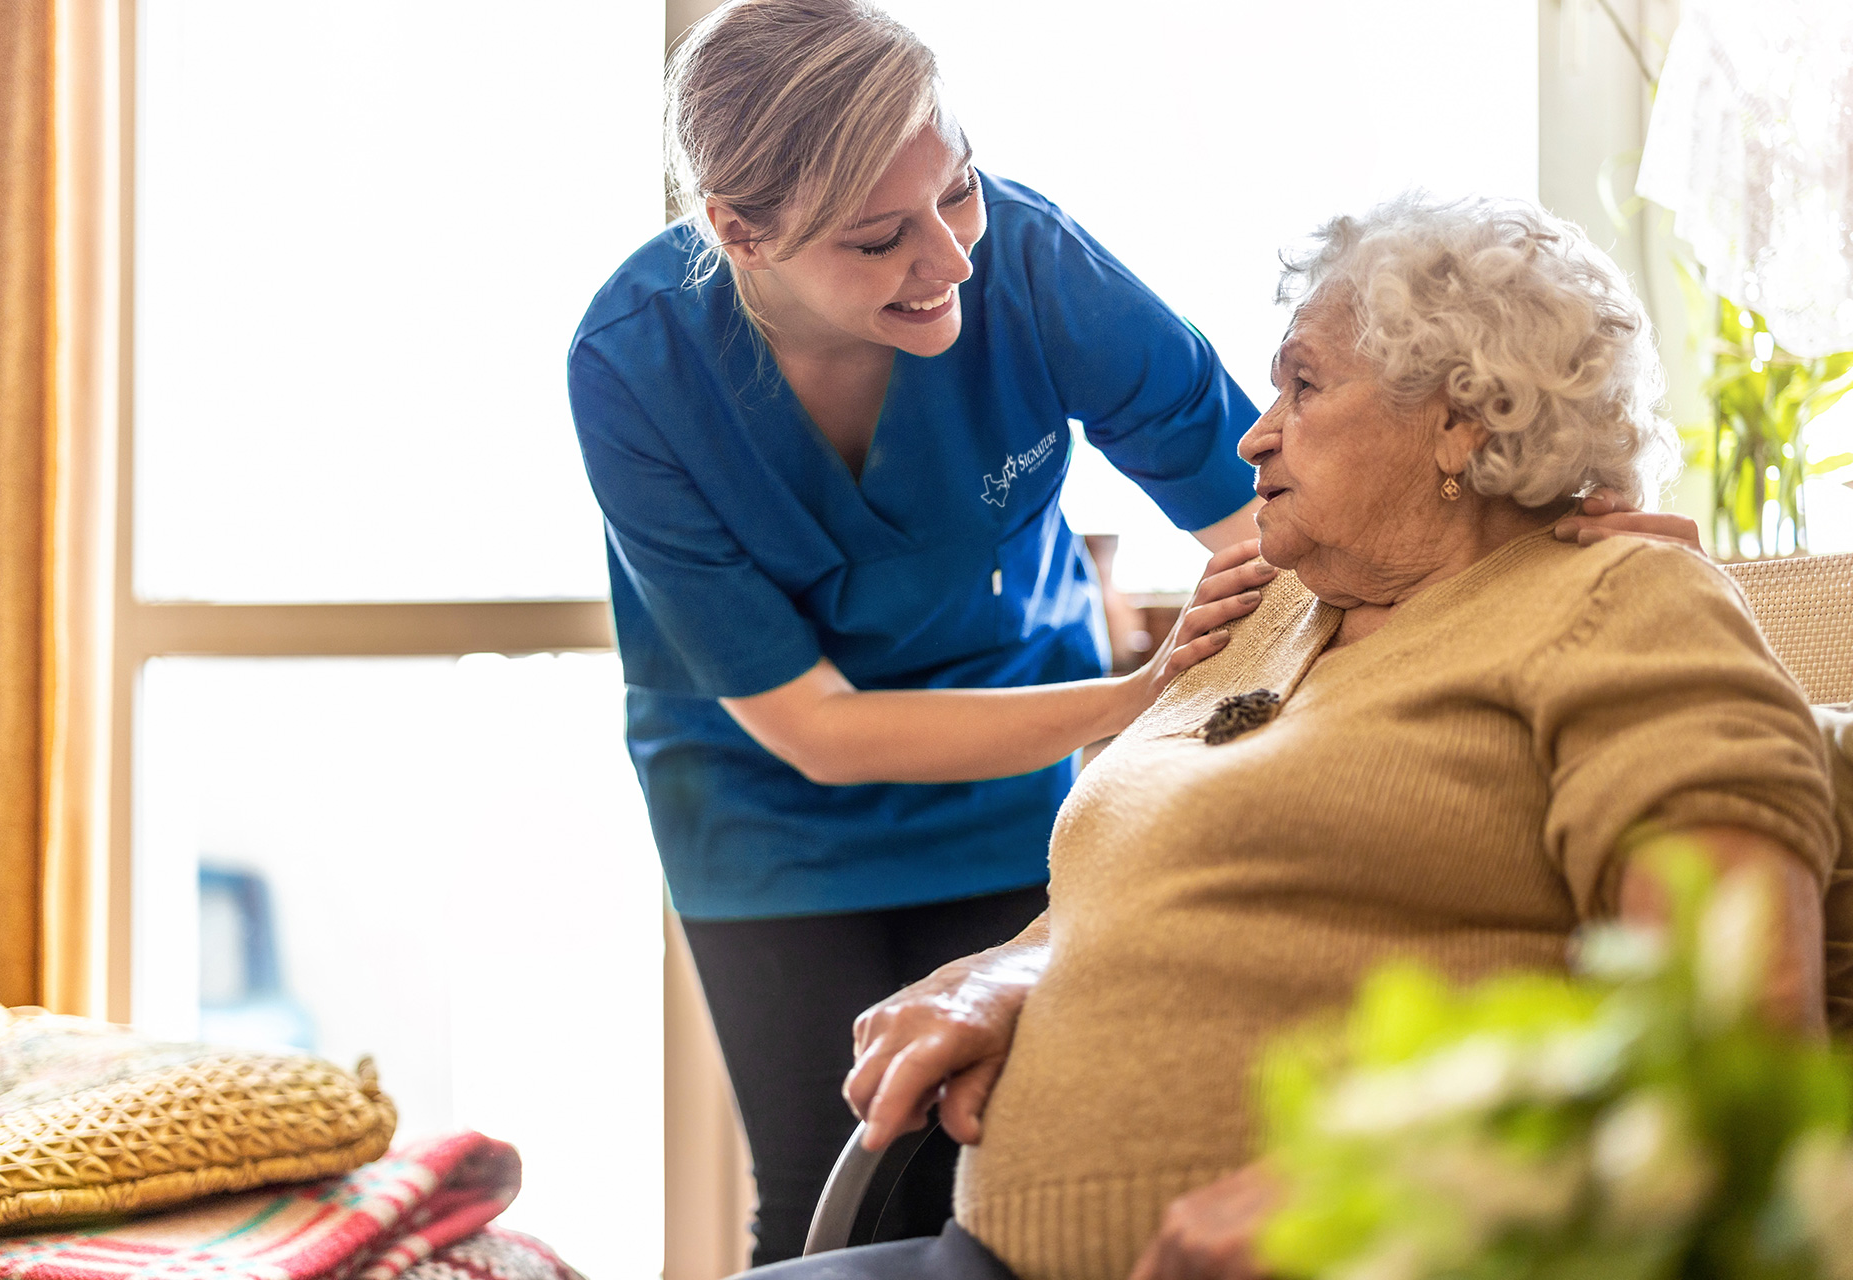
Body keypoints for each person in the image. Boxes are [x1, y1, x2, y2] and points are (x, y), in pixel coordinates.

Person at [568, 0, 1696, 1261]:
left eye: (961, 189)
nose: (949, 259)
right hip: (764, 793)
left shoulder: (1036, 268)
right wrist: (1137, 700)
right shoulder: (636, 362)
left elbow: (1284, 516)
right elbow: (813, 728)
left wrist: (1544, 553)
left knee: (978, 1151)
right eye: (881, 238)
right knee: (817, 1170)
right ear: (739, 233)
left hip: (1019, 747)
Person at [746, 195, 1839, 1280]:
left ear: (1465, 414)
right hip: (979, 1249)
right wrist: (1010, 968)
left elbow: (1730, 1036)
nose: (1253, 433)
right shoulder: (1264, 611)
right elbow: (1157, 878)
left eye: (1302, 384)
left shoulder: (1621, 599)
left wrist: (1392, 1190)